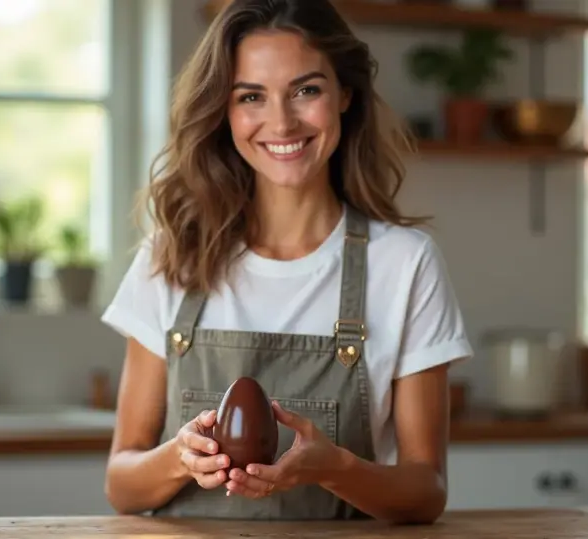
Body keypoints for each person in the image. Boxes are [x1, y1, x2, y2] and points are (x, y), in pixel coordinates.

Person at [100, 0, 473, 524]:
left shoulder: (406, 265)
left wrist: (335, 467)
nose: (281, 121)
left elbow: (426, 491)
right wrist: (179, 459)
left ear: (345, 93)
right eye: (251, 96)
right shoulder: (171, 256)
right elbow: (122, 483)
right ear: (223, 112)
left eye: (306, 90)